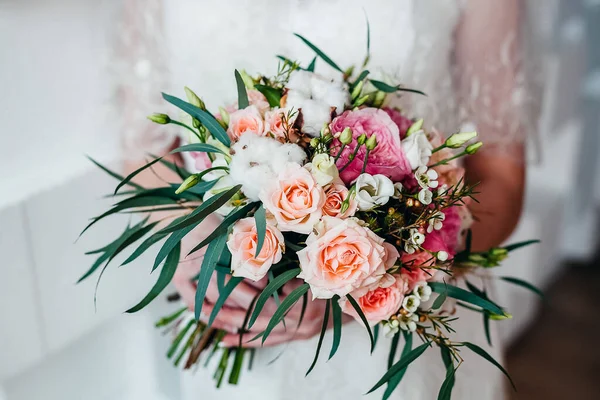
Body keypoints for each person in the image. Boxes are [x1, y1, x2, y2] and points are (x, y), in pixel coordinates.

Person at [118, 0, 548, 398]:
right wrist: (195, 246)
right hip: (234, 333)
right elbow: (142, 151)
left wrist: (363, 286)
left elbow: (501, 178)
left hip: (398, 347)